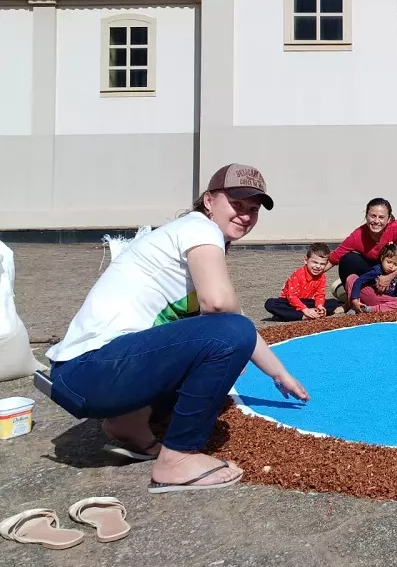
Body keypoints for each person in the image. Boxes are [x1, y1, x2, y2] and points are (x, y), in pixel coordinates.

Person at [45, 163, 310, 494]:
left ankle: (128, 425)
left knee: (223, 338)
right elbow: (221, 306)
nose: (245, 215)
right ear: (209, 201)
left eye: (253, 210)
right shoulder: (199, 228)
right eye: (237, 204)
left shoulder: (191, 234)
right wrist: (239, 346)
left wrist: (279, 374)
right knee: (228, 336)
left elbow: (229, 318)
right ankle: (178, 459)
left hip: (85, 375)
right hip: (92, 369)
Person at [327, 198, 397, 309]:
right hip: (373, 272)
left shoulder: (396, 228)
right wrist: (311, 271)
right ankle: (352, 300)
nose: (376, 221)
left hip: (395, 273)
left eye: (381, 217)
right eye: (373, 216)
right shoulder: (358, 234)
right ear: (366, 216)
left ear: (389, 218)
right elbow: (333, 258)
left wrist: (392, 275)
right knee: (348, 260)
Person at [264, 242, 343, 321]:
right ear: (306, 260)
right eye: (315, 262)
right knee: (270, 303)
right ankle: (304, 316)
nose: (318, 266)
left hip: (305, 302)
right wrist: (305, 310)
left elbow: (319, 295)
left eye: (322, 264)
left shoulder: (322, 277)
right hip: (289, 302)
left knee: (333, 303)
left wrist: (319, 306)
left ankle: (298, 315)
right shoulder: (298, 274)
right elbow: (292, 296)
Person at [345, 243, 397, 313]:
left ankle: (370, 309)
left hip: (382, 300)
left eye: (395, 264)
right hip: (371, 295)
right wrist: (354, 298)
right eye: (389, 262)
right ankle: (353, 305)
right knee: (352, 278)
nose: (391, 266)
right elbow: (359, 281)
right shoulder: (377, 271)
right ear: (382, 258)